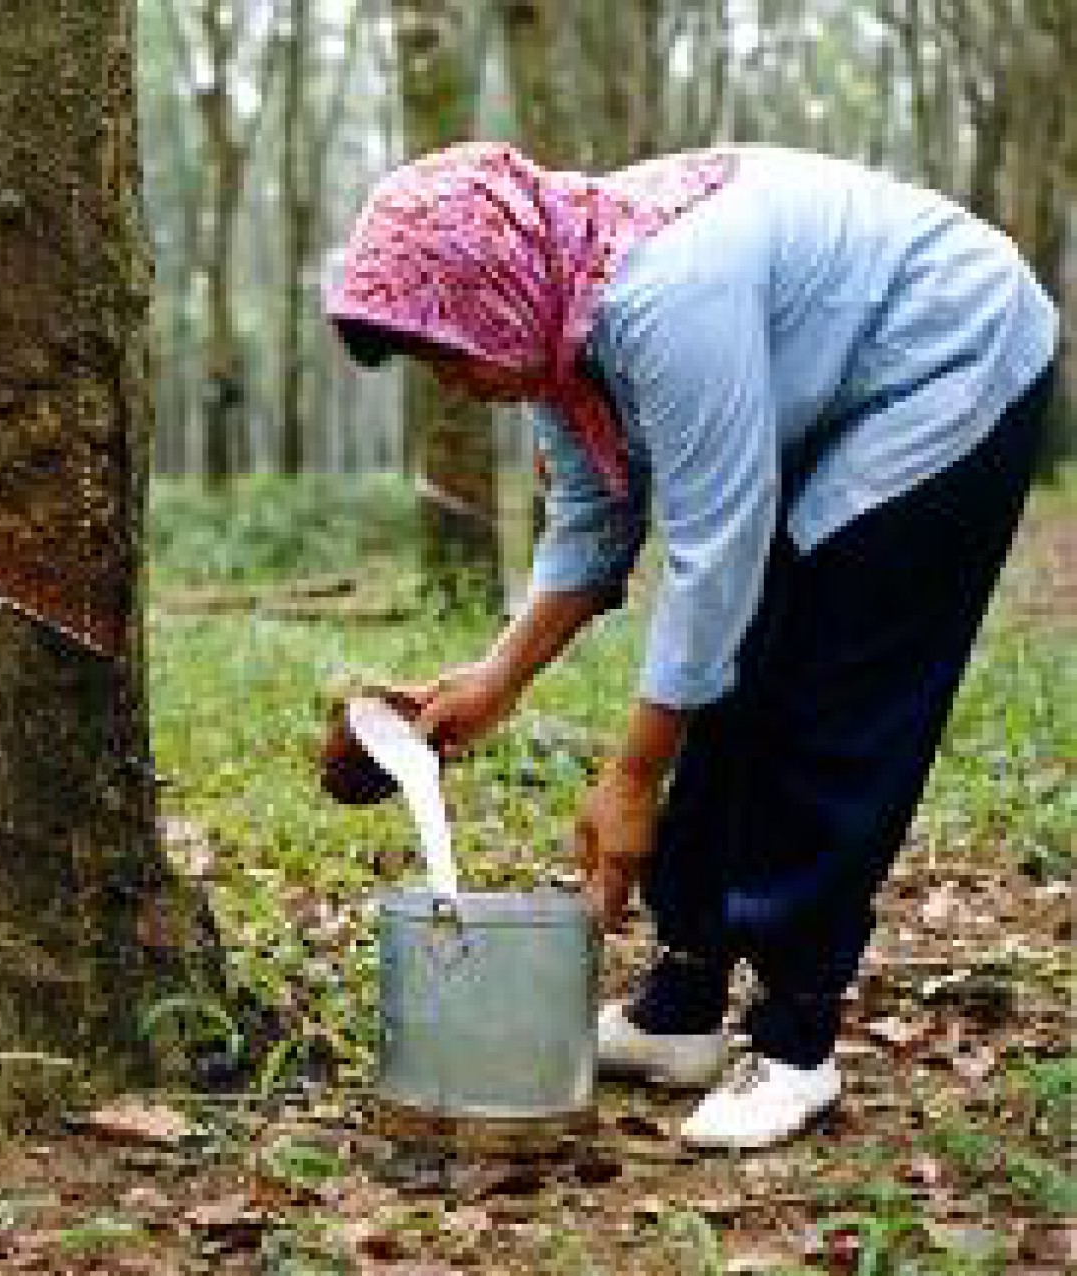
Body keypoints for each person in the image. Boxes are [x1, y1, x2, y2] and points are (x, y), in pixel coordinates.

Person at [322, 142, 1058, 1150]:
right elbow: (592, 520)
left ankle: (797, 1039)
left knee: (828, 690)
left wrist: (630, 774)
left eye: (450, 353)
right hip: (839, 388)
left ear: (494, 286)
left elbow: (714, 550)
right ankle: (682, 1003)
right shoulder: (553, 313)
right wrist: (496, 677)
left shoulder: (662, 300)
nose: (451, 383)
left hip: (949, 353)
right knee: (733, 668)